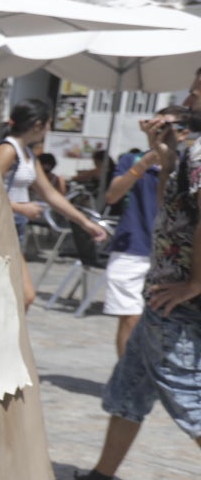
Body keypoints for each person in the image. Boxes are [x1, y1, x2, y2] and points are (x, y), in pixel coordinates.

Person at [60, 70, 201, 480]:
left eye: (197, 85)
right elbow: (173, 207)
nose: (190, 93)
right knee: (130, 389)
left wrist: (194, 283)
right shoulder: (189, 154)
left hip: (178, 299)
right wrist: (163, 155)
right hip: (165, 292)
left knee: (188, 398)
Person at [0, 99, 108, 306]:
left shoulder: (27, 154)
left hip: (12, 229)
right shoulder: (7, 150)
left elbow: (51, 194)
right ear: (38, 125)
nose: (49, 129)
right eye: (48, 124)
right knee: (18, 297)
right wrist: (20, 207)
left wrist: (85, 222)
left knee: (20, 298)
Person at [102, 106, 190, 356]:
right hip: (132, 248)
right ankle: (125, 380)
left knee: (163, 323)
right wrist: (145, 163)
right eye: (159, 126)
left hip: (171, 254)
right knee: (130, 318)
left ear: (183, 133)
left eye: (171, 128)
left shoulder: (189, 166)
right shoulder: (132, 161)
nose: (163, 133)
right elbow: (112, 196)